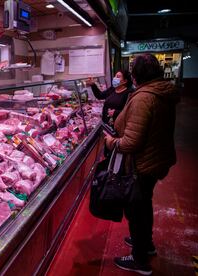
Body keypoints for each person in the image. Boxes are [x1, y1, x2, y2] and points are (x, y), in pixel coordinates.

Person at [104, 54, 179, 275]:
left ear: (138, 75)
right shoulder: (161, 91)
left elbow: (131, 142)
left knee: (136, 209)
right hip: (156, 158)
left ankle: (139, 259)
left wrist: (111, 142)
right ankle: (145, 243)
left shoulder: (143, 97)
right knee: (144, 203)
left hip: (143, 163)